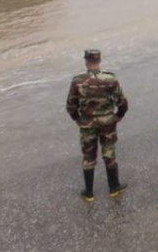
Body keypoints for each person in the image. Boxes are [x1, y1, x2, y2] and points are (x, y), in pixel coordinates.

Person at [65, 49, 129, 202]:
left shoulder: (77, 81)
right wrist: (118, 116)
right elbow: (122, 102)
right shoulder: (110, 79)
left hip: (87, 123)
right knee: (109, 153)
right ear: (100, 60)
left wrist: (77, 119)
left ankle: (89, 193)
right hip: (107, 122)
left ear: (86, 61)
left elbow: (70, 106)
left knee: (88, 157)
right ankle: (114, 188)